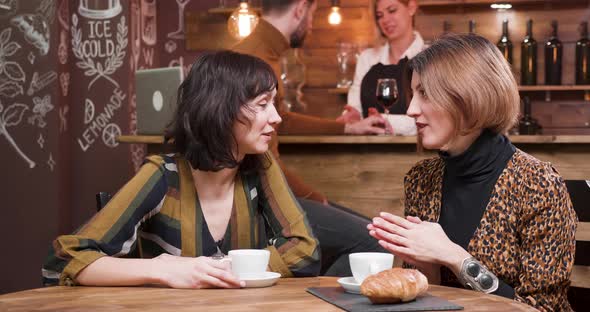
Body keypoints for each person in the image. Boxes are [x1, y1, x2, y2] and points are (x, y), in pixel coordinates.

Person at [42, 51, 320, 288]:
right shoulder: (163, 175)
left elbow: (304, 252)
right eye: (263, 105)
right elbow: (64, 260)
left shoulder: (260, 165)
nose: (276, 117)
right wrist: (161, 269)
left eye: (273, 103)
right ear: (221, 109)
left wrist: (220, 268)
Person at [367, 33, 577, 311]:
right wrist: (423, 265)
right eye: (413, 93)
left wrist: (455, 257)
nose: (411, 110)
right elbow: (433, 297)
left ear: (469, 96)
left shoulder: (537, 183)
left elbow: (541, 309)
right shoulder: (421, 179)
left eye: (425, 94)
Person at [233, 0, 387, 276]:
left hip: (264, 189)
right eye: (314, 15)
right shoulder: (256, 60)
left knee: (367, 233)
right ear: (301, 9)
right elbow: (265, 162)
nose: (312, 25)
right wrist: (313, 196)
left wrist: (345, 128)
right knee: (375, 242)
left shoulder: (260, 51)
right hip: (260, 195)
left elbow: (283, 118)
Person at [345, 0, 424, 135]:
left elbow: (435, 119)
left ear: (411, 7)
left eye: (392, 10)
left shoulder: (431, 57)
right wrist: (352, 118)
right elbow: (354, 109)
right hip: (366, 151)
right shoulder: (367, 58)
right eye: (380, 15)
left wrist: (383, 121)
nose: (385, 20)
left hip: (417, 152)